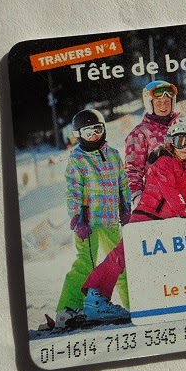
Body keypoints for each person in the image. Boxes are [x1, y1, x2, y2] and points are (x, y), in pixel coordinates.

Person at [79, 122, 186, 321]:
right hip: (147, 217)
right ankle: (95, 297)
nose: (185, 148)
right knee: (123, 254)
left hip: (167, 222)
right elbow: (170, 192)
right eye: (180, 142)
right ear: (171, 143)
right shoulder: (163, 163)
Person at [52, 109, 131, 328]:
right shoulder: (78, 158)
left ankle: (134, 303)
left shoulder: (113, 154)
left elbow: (123, 184)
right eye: (88, 132)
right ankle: (68, 309)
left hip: (110, 220)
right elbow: (73, 191)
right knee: (86, 264)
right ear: (79, 135)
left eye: (98, 129)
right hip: (88, 222)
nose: (94, 135)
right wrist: (77, 219)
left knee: (121, 264)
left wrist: (126, 208)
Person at [125, 80, 186, 216]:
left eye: (167, 102)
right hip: (159, 199)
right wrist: (137, 195)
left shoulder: (183, 127)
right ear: (150, 104)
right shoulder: (140, 133)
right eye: (158, 103)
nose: (163, 106)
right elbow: (132, 169)